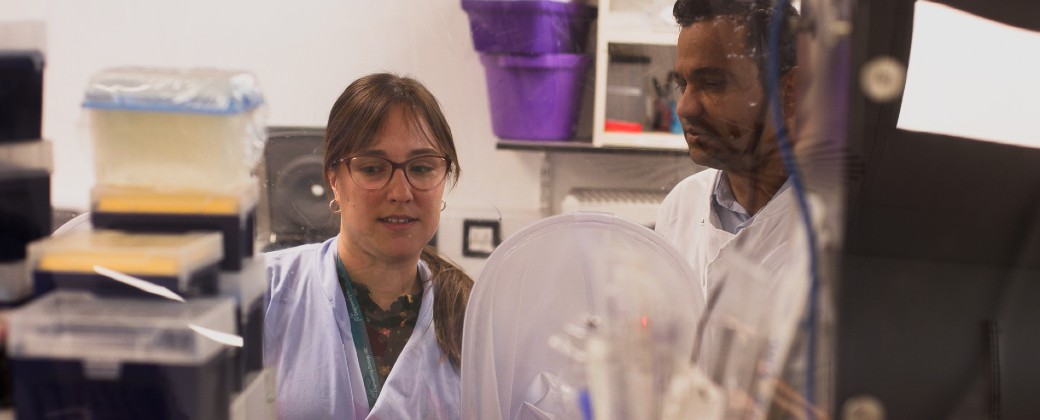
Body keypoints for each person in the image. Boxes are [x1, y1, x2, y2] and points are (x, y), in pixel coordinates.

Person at [264, 73, 473, 419]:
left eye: (421, 168)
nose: (401, 192)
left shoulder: (473, 318)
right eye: (374, 169)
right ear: (334, 180)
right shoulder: (267, 293)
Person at [655, 0, 821, 417]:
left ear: (791, 92)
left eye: (712, 83)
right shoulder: (682, 204)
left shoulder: (837, 232)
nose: (685, 108)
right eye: (683, 85)